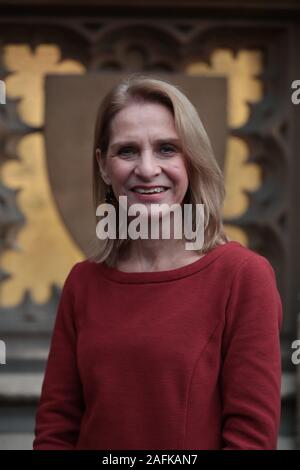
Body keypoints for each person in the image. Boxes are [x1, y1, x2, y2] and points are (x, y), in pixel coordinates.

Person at [33, 75, 282, 450]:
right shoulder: (83, 282)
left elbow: (251, 439)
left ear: (192, 159)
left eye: (167, 149)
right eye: (127, 151)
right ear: (103, 165)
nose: (147, 169)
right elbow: (56, 428)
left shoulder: (243, 277)